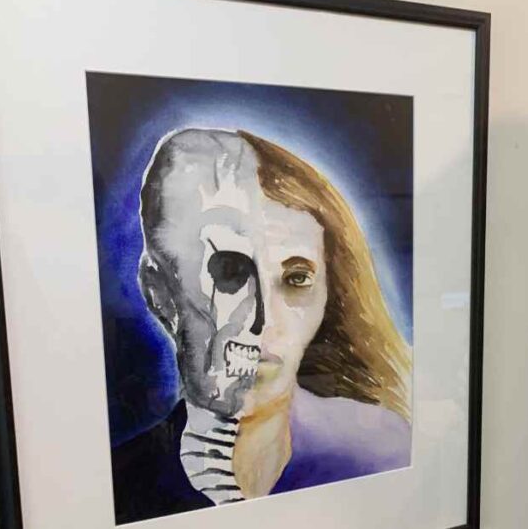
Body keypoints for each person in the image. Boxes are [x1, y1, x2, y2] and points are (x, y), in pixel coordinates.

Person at [112, 128, 411, 523]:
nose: (263, 320)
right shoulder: (122, 486)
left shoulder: (381, 450)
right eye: (230, 273)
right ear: (160, 292)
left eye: (297, 278)